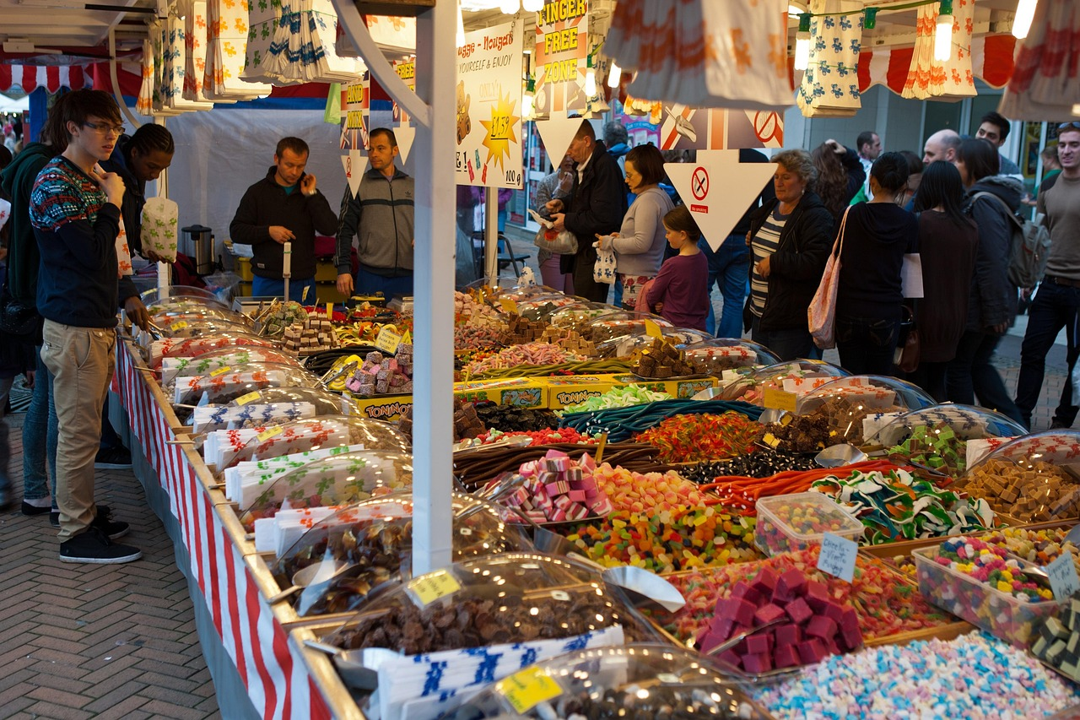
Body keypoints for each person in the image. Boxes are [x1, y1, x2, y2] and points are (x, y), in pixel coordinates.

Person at [30, 89, 141, 563]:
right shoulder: (56, 182)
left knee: (85, 431)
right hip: (73, 324)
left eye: (114, 126)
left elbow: (108, 257)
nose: (110, 134)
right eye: (99, 125)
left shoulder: (88, 177)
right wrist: (113, 202)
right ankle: (75, 533)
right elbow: (92, 254)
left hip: (90, 321)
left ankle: (83, 512)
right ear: (73, 128)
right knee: (77, 434)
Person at [945, 138, 1024, 423]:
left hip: (982, 304)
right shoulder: (988, 197)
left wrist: (994, 311)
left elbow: (991, 258)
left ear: (972, 166)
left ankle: (968, 429)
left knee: (961, 368)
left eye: (959, 161)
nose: (955, 165)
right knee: (977, 366)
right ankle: (1012, 425)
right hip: (987, 302)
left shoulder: (983, 201)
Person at [1015, 123, 1080, 430]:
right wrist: (1030, 275)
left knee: (1075, 363)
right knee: (1031, 351)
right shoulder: (1049, 185)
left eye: (1074, 145)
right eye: (1063, 145)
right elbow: (1040, 235)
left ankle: (1061, 422)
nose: (1067, 150)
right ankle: (1021, 416)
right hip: (1050, 284)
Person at [744, 149, 835, 360]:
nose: (779, 183)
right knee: (762, 381)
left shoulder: (815, 216)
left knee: (785, 383)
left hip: (790, 322)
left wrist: (776, 262)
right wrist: (754, 238)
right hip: (761, 313)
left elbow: (815, 262)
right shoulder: (769, 208)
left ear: (803, 180)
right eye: (776, 177)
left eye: (786, 177)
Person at [834, 153, 919, 375]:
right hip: (886, 312)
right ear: (903, 184)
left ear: (871, 179)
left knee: (850, 379)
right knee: (880, 381)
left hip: (848, 309)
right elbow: (912, 269)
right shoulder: (909, 221)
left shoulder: (851, 214)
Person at [231, 136, 338, 303]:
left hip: (302, 279)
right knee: (266, 326)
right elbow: (236, 231)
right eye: (289, 165)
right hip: (267, 279)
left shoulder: (310, 193)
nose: (295, 172)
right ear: (276, 159)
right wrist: (268, 231)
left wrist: (311, 196)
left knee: (304, 328)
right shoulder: (257, 193)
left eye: (300, 166)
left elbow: (330, 227)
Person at [909, 161, 980, 402]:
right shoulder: (970, 227)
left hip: (923, 317)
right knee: (939, 383)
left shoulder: (921, 222)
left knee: (916, 388)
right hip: (955, 318)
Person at [547, 120, 628, 303]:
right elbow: (586, 202)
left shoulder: (604, 167)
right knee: (579, 304)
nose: (568, 152)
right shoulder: (583, 166)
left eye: (571, 145)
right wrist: (563, 203)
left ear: (586, 140)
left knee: (588, 307)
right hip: (582, 250)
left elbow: (604, 217)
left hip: (595, 252)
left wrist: (566, 220)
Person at [699, 148, 774, 337]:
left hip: (711, 232)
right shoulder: (759, 159)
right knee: (734, 298)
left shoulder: (710, 155)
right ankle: (728, 349)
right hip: (744, 238)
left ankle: (704, 344)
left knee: (703, 292)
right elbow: (769, 202)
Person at [335, 128, 415, 299]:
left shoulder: (412, 185)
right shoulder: (358, 185)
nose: (374, 154)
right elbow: (344, 229)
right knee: (367, 325)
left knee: (410, 325)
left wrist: (425, 237)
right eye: (370, 149)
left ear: (395, 150)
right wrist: (343, 269)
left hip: (410, 275)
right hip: (371, 276)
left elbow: (433, 223)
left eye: (380, 148)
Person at [597, 144, 673, 310]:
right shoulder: (658, 195)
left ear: (646, 173)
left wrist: (609, 242)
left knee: (638, 330)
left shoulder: (648, 200)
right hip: (642, 277)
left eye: (630, 175)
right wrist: (621, 238)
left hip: (640, 280)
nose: (626, 180)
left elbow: (642, 243)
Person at [98, 123, 175, 262]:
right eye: (152, 167)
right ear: (134, 153)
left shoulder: (136, 172)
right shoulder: (105, 172)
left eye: (162, 169)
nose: (156, 175)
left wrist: (147, 245)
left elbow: (129, 222)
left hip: (121, 261)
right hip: (104, 262)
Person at [642, 205, 709, 331]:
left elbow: (652, 296)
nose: (666, 236)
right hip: (698, 325)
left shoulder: (672, 264)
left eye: (668, 232)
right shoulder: (702, 258)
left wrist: (661, 302)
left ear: (683, 234)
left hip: (673, 325)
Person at [533, 155, 575, 293]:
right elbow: (543, 213)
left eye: (571, 155)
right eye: (564, 156)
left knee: (574, 303)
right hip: (552, 249)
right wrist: (561, 192)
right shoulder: (547, 182)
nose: (568, 159)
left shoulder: (584, 182)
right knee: (554, 299)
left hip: (576, 250)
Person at [811, 139, 865, 232]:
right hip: (836, 239)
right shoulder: (844, 187)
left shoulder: (807, 187)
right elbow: (858, 170)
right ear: (837, 164)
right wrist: (846, 152)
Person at [976, 111, 1024, 180]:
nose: (983, 138)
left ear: (1001, 142)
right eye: (981, 132)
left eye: (991, 136)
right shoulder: (962, 161)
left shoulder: (1010, 170)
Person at [856, 130, 881, 199]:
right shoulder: (872, 169)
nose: (880, 149)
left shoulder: (847, 165)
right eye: (877, 145)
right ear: (866, 147)